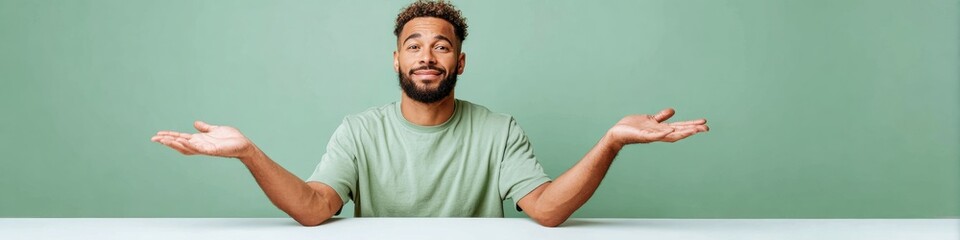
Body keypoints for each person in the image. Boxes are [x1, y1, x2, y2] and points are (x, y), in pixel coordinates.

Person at [150, 0, 708, 227]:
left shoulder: (498, 130)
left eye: (440, 46)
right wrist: (248, 152)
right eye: (414, 45)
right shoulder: (359, 131)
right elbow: (317, 209)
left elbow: (544, 210)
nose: (426, 56)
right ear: (396, 59)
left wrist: (610, 141)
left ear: (460, 61)